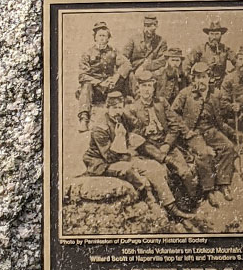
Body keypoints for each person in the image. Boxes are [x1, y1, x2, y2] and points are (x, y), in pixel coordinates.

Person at [82, 90, 194, 221]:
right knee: (131, 170)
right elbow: (109, 157)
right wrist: (119, 137)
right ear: (107, 108)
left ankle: (172, 207)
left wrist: (134, 133)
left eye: (120, 107)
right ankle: (151, 201)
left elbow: (137, 127)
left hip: (121, 155)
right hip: (102, 162)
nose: (118, 111)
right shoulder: (100, 127)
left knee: (155, 167)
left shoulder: (121, 117)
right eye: (114, 108)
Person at [122, 70, 209, 208]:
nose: (146, 90)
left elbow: (174, 124)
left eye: (149, 86)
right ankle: (176, 208)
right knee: (166, 175)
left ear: (153, 87)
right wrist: (144, 131)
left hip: (166, 145)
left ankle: (193, 204)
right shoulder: (132, 109)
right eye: (143, 86)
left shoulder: (161, 103)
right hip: (149, 150)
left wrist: (168, 144)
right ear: (138, 87)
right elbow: (134, 136)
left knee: (185, 173)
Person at [172, 62, 236, 204]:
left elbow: (222, 115)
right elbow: (173, 113)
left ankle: (224, 183)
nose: (201, 80)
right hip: (193, 132)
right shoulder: (185, 94)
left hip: (210, 130)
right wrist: (184, 130)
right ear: (193, 79)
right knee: (204, 154)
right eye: (198, 77)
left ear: (209, 78)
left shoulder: (215, 94)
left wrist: (234, 108)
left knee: (228, 147)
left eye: (204, 77)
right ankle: (209, 190)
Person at [76, 22, 131, 133]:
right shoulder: (87, 53)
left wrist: (116, 77)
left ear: (108, 38)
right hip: (95, 88)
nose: (102, 38)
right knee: (86, 85)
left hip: (111, 85)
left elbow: (126, 64)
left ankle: (135, 101)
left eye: (104, 36)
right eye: (99, 35)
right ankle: (84, 118)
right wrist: (99, 82)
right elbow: (82, 75)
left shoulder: (113, 51)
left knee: (129, 75)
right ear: (95, 38)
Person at [185, 18, 235, 90]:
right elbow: (186, 64)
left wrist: (230, 77)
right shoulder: (200, 49)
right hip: (203, 84)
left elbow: (238, 63)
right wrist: (192, 80)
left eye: (217, 34)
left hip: (221, 86)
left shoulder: (225, 49)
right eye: (212, 34)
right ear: (208, 35)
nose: (214, 37)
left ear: (221, 35)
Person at [122, 14, 167, 89]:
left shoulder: (161, 41)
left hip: (151, 71)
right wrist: (130, 69)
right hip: (134, 70)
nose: (147, 29)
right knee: (130, 80)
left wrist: (145, 66)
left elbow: (162, 60)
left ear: (155, 27)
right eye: (145, 26)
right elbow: (123, 56)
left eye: (150, 26)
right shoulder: (134, 39)